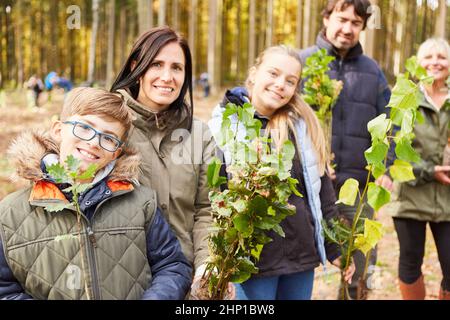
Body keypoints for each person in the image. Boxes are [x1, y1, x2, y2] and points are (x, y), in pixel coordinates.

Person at [0, 87, 192, 300]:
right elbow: (5, 289)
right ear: (58, 130)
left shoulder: (141, 203)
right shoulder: (10, 214)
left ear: (116, 153)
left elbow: (171, 265)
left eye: (109, 138)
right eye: (84, 127)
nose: (93, 142)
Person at [209, 45, 355, 300]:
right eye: (273, 74)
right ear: (254, 73)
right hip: (252, 262)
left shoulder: (301, 127)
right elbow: (211, 195)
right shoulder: (223, 124)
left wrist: (336, 246)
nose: (280, 85)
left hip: (300, 256)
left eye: (290, 81)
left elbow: (322, 192)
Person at [110, 26, 218, 298]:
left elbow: (207, 208)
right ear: (137, 66)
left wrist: (206, 262)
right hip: (121, 281)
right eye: (156, 64)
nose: (167, 77)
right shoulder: (108, 125)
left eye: (177, 68)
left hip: (187, 283)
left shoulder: (200, 135)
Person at [298, 0, 392, 300]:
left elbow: (391, 123)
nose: (347, 29)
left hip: (357, 185)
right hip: (303, 187)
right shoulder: (302, 64)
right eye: (341, 19)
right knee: (295, 266)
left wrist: (386, 166)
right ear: (326, 18)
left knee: (360, 267)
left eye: (356, 23)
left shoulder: (372, 72)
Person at [393, 38, 450, 300]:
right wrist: (429, 170)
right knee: (410, 262)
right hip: (411, 197)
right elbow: (393, 151)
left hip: (448, 200)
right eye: (428, 56)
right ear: (417, 62)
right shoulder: (405, 98)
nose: (435, 62)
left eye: (442, 56)